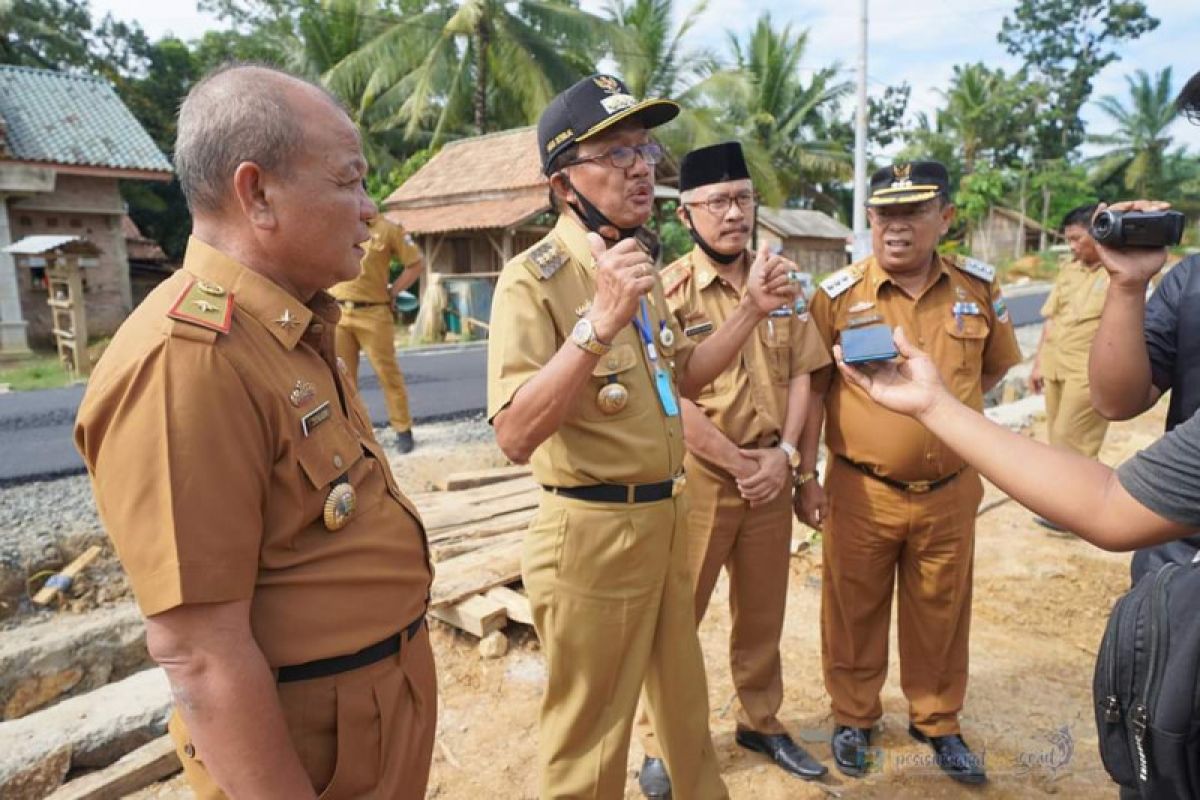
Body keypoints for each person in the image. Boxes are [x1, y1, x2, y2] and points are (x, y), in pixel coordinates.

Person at [73, 65, 435, 800]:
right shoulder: (187, 362)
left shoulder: (292, 326)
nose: (369, 211)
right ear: (257, 193)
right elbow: (200, 654)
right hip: (307, 744)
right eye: (348, 182)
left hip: (370, 708)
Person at [487, 74, 799, 799]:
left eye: (645, 147)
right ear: (566, 183)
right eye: (618, 152)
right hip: (592, 533)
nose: (642, 167)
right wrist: (595, 325)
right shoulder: (533, 280)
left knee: (685, 715)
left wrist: (749, 311)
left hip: (665, 520)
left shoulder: (636, 267)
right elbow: (514, 433)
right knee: (590, 741)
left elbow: (680, 379)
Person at [796, 161, 1021, 785]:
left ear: (944, 217)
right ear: (868, 221)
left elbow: (992, 372)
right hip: (861, 489)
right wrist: (806, 476)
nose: (895, 228)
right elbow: (812, 391)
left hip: (950, 491)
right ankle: (853, 715)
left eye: (913, 213)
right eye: (883, 215)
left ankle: (937, 718)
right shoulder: (837, 296)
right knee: (852, 608)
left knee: (942, 608)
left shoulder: (977, 290)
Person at [631, 141, 830, 797]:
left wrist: (790, 461)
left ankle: (759, 720)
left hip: (772, 475)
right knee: (677, 619)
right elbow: (670, 394)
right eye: (717, 202)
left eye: (743, 198)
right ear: (685, 216)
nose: (734, 213)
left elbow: (805, 373)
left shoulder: (785, 283)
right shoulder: (665, 291)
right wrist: (740, 461)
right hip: (703, 482)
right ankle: (662, 744)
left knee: (763, 615)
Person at [1088, 70, 1200, 582]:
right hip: (1175, 560)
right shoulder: (1190, 281)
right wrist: (1127, 285)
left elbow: (1109, 509)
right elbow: (1117, 400)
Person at [330, 214, 425, 453]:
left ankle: (403, 429)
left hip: (374, 312)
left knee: (387, 374)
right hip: (338, 312)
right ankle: (350, 434)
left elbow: (415, 263)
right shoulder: (334, 222)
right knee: (341, 378)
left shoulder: (388, 229)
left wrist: (394, 291)